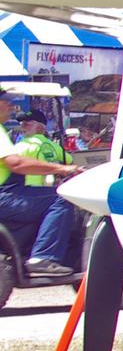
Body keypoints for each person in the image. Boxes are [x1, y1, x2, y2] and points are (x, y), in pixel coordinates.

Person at [0, 107, 82, 277]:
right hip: (13, 192)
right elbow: (69, 161)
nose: (22, 126)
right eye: (5, 102)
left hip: (23, 190)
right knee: (61, 199)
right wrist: (64, 168)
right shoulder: (50, 145)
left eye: (26, 123)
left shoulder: (21, 144)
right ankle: (43, 257)